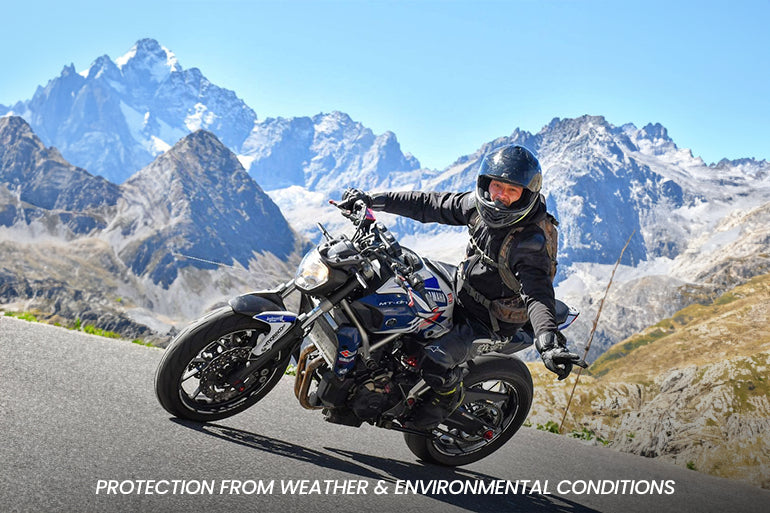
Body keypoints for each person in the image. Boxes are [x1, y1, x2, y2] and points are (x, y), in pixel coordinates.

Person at [337, 144, 586, 429]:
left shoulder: (530, 241)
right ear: (485, 183)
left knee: (434, 362)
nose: (500, 196)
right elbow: (428, 204)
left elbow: (538, 293)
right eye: (497, 186)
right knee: (395, 288)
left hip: (491, 318)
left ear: (525, 196)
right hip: (461, 285)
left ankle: (448, 396)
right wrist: (372, 200)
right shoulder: (477, 207)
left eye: (512, 191)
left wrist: (548, 343)